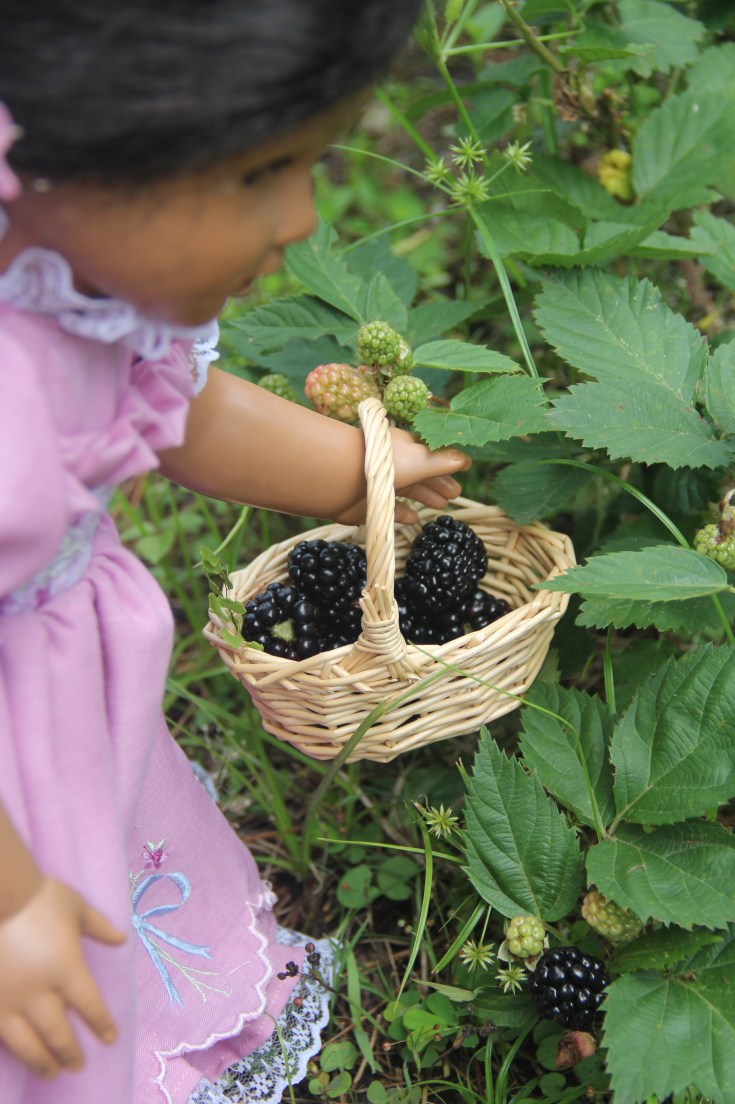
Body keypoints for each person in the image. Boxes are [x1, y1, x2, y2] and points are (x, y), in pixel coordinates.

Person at [0, 3, 471, 1103]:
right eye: (261, 171)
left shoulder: (66, 282)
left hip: (57, 703)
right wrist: (16, 905)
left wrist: (355, 470)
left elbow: (181, 414)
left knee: (98, 878)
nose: (301, 217)